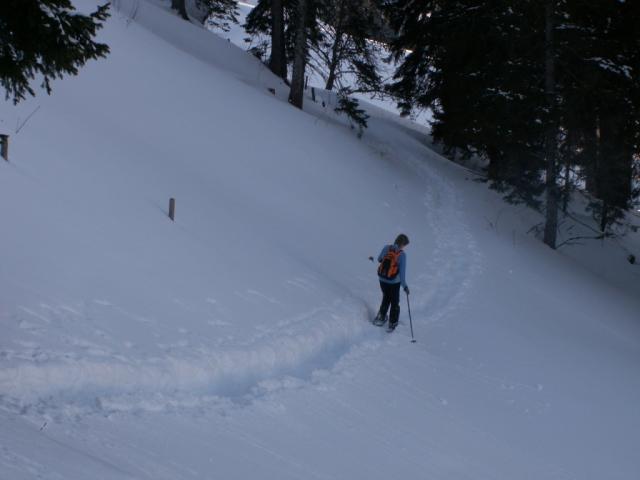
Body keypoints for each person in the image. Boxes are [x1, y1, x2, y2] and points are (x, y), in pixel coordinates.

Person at [374, 234, 409, 330]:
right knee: (394, 301)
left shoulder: (386, 247)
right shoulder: (402, 255)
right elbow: (402, 274)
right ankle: (393, 322)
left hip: (382, 279)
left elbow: (379, 259)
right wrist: (405, 286)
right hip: (394, 282)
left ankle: (381, 317)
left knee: (386, 297)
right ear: (403, 244)